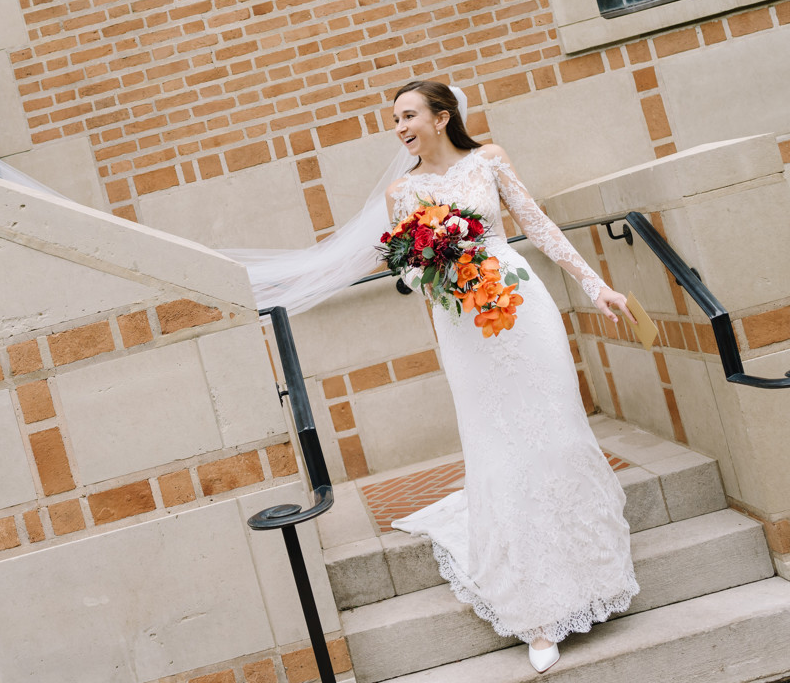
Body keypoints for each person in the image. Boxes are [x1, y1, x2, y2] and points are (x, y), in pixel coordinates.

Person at [225, 81, 639, 674]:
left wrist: (596, 286)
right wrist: (438, 264)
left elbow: (538, 226)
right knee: (498, 444)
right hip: (464, 323)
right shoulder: (404, 191)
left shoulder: (489, 160)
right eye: (394, 119)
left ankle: (590, 565)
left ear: (443, 117)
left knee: (556, 427)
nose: (399, 127)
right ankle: (536, 610)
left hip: (523, 307)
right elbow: (411, 274)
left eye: (409, 115)